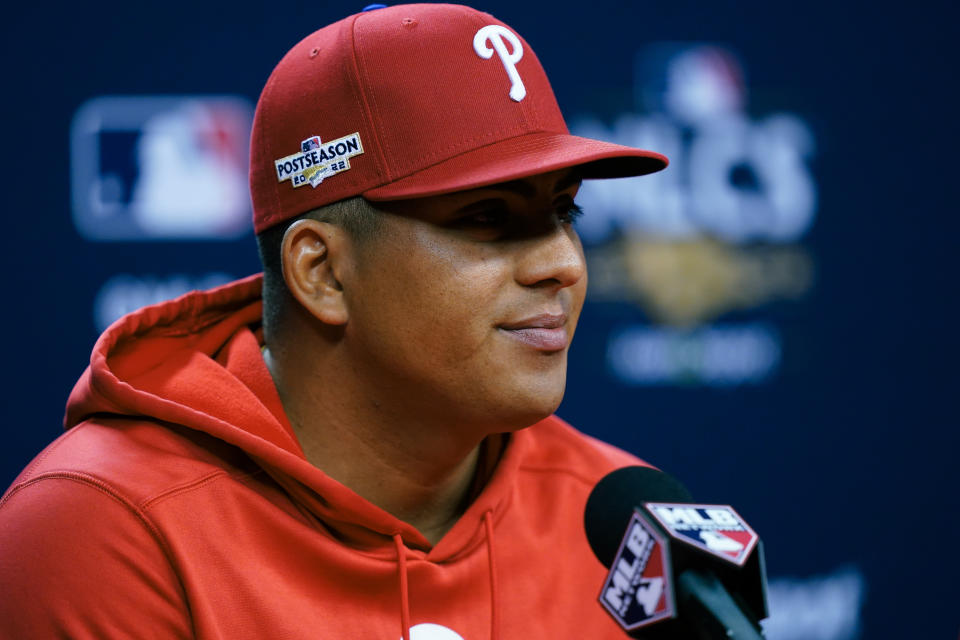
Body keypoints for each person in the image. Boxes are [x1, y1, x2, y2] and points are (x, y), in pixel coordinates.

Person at [0, 4, 668, 639]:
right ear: (321, 272)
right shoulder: (108, 531)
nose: (563, 265)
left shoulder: (622, 525)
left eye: (564, 213)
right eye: (488, 218)